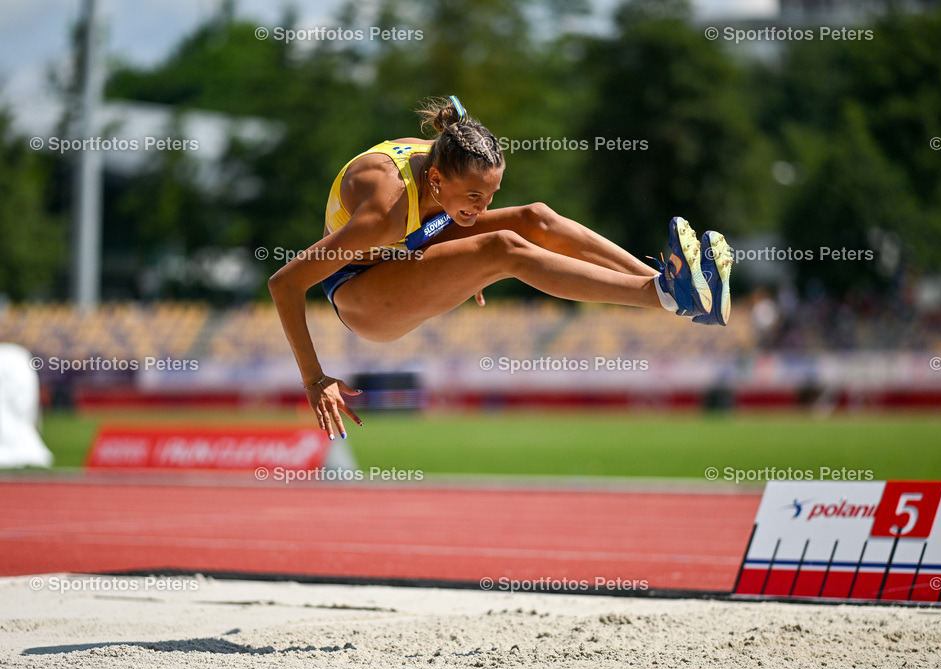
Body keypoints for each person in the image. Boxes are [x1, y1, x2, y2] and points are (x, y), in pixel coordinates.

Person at [269, 96, 733, 440]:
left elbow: (440, 219)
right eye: (474, 196)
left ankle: (665, 284)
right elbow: (284, 284)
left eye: (490, 194)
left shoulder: (446, 156)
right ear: (435, 179)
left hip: (406, 249)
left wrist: (456, 265)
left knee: (534, 217)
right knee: (503, 247)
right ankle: (663, 295)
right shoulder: (381, 210)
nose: (484, 205)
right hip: (360, 293)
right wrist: (315, 379)